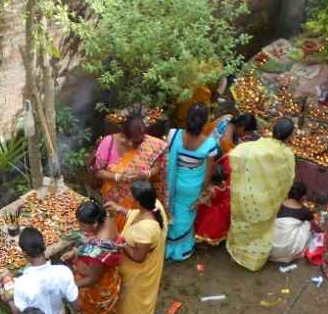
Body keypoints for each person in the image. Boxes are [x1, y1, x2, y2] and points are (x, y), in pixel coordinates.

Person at [227, 118, 296, 272]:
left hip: (246, 194)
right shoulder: (287, 155)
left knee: (242, 225)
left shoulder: (255, 145)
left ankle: (236, 252)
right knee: (261, 230)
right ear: (290, 136)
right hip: (267, 201)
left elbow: (235, 155)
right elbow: (287, 179)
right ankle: (253, 261)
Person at [107, 180, 168, 314]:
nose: (130, 198)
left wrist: (120, 241)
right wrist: (121, 210)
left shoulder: (146, 229)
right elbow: (138, 215)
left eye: (132, 196)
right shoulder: (155, 205)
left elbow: (138, 257)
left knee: (131, 301)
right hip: (135, 266)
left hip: (137, 272)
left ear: (139, 201)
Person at [91, 112, 168, 232]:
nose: (137, 145)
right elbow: (97, 171)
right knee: (114, 229)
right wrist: (117, 177)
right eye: (133, 141)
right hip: (113, 198)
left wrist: (145, 174)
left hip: (137, 202)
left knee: (134, 231)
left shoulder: (149, 143)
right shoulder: (108, 142)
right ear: (124, 135)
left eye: (140, 141)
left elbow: (157, 166)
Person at [67, 200, 122, 314]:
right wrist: (77, 252)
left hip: (98, 290)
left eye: (83, 224)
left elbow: (93, 278)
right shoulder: (107, 219)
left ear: (95, 223)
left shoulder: (98, 248)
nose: (80, 226)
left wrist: (70, 285)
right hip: (110, 278)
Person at [165, 103, 220, 261]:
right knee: (185, 218)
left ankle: (167, 248)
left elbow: (167, 159)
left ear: (187, 118)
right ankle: (180, 250)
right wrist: (201, 195)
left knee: (172, 213)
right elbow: (207, 175)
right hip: (192, 187)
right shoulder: (209, 144)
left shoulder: (173, 135)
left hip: (173, 184)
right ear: (205, 122)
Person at [4, 227, 79, 314]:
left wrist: (9, 300)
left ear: (24, 253)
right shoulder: (63, 272)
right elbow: (76, 304)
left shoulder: (21, 283)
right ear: (44, 247)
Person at [270, 180, 316, 264]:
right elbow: (315, 226)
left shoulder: (277, 205)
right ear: (303, 197)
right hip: (289, 251)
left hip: (271, 247)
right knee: (307, 224)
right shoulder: (305, 211)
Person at [194, 163, 232, 247]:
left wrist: (196, 203)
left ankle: (205, 240)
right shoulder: (224, 183)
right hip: (222, 208)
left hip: (213, 210)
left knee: (208, 226)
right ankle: (218, 237)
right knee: (220, 226)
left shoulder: (213, 190)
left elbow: (204, 200)